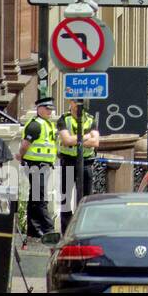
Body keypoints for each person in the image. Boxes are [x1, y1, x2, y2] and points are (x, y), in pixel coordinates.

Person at [17, 99, 57, 239]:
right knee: (40, 198)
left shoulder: (47, 124)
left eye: (51, 109)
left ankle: (34, 230)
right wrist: (20, 156)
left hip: (43, 166)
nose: (49, 111)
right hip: (35, 166)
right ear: (39, 109)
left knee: (35, 198)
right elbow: (25, 145)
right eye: (47, 109)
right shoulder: (35, 125)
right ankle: (49, 230)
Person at [58, 99, 99, 232]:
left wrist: (75, 140)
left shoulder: (90, 119)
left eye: (80, 102)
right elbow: (66, 140)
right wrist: (86, 136)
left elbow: (95, 142)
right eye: (75, 102)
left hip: (86, 163)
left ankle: (84, 228)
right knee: (66, 199)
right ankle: (66, 230)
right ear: (70, 103)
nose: (77, 106)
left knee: (86, 198)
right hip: (68, 162)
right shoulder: (64, 119)